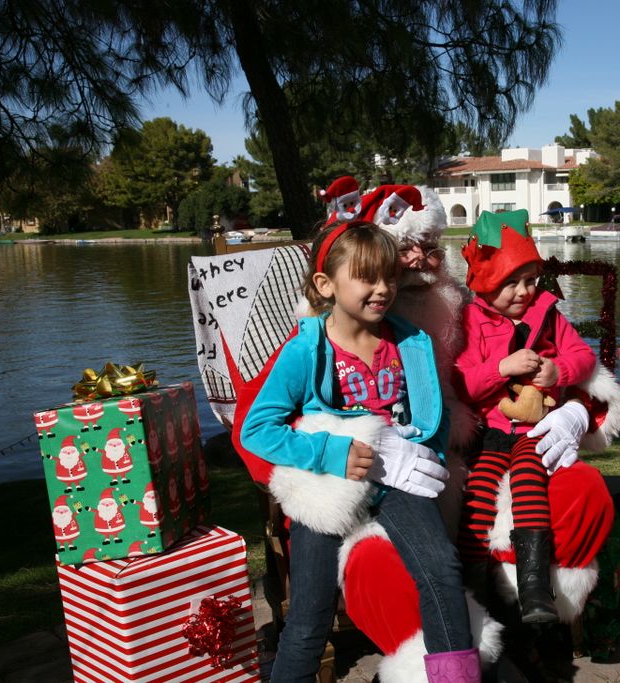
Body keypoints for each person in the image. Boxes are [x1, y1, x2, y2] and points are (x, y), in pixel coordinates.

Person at [240, 220, 480, 682]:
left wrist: (418, 451)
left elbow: (435, 412)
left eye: (389, 277)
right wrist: (329, 453)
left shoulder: (411, 343)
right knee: (310, 610)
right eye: (367, 278)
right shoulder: (305, 351)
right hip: (330, 485)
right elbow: (257, 430)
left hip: (396, 480)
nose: (383, 289)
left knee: (443, 569)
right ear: (325, 285)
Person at [451, 209, 597, 624]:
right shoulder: (472, 321)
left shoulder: (547, 314)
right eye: (509, 283)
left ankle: (535, 591)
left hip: (537, 430)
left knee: (530, 481)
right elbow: (461, 382)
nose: (521, 292)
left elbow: (583, 356)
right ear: (486, 282)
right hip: (492, 431)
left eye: (530, 281)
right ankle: (471, 589)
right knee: (478, 494)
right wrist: (502, 368)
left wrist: (559, 371)